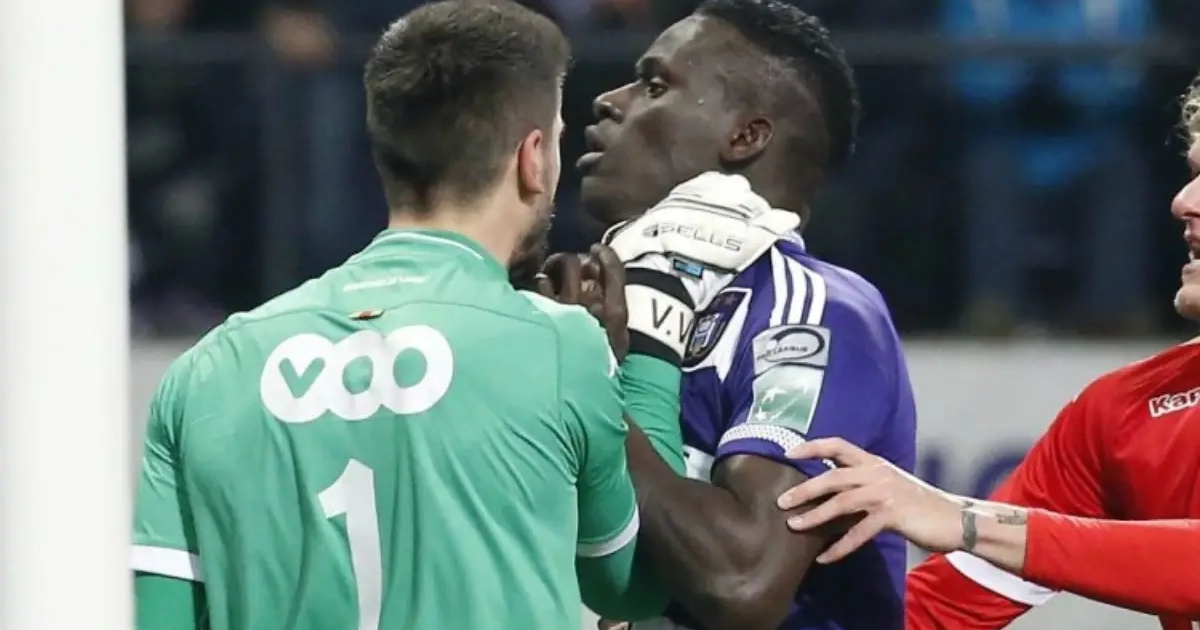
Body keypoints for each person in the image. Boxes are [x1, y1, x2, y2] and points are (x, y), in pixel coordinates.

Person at [130, 2, 680, 628]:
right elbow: (635, 587)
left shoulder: (203, 373)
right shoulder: (560, 347)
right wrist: (648, 362)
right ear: (533, 157)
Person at [774, 74, 1200, 629]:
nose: (1183, 202)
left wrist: (963, 519)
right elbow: (932, 613)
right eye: (1192, 174)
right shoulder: (1121, 412)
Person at [572, 0, 917, 627]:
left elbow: (743, 579)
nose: (609, 101)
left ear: (745, 136)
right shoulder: (597, 301)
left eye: (655, 85)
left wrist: (576, 386)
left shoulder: (813, 312)